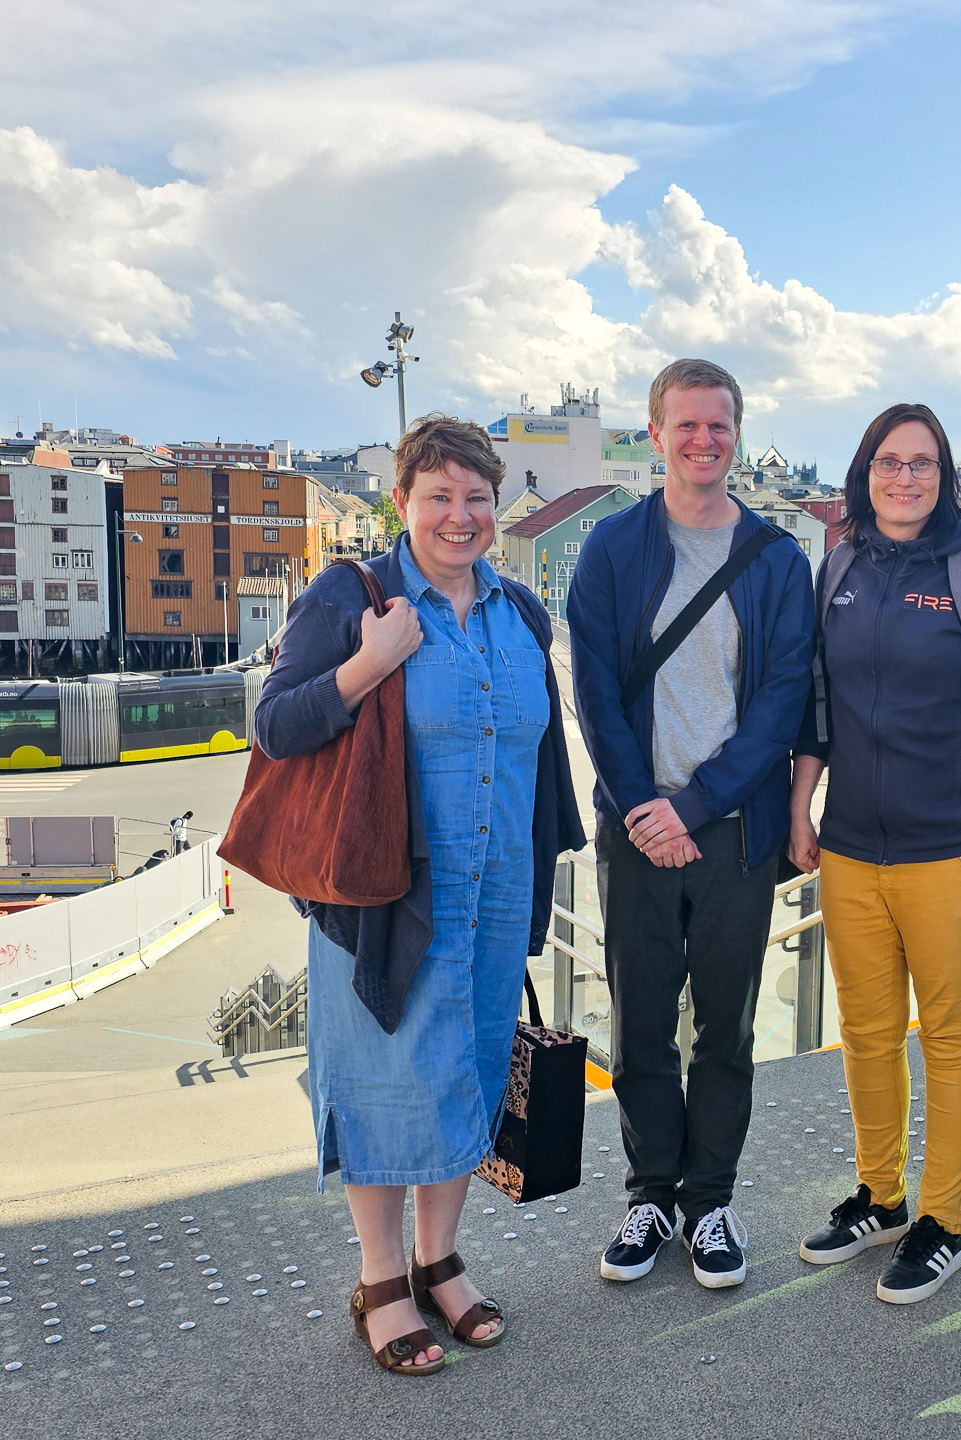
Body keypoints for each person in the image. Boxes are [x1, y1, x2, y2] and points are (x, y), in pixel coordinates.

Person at [253, 413, 586, 1375]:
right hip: (386, 896)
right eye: (438, 496)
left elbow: (537, 763)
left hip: (494, 893)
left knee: (464, 1077)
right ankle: (381, 1280)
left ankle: (441, 1262)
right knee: (382, 1085)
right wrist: (369, 664)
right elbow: (276, 727)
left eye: (477, 497)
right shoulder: (351, 595)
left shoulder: (520, 614)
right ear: (402, 501)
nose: (459, 516)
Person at [567, 358, 815, 1291]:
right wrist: (644, 807)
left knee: (725, 1029)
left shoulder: (777, 559)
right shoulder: (612, 547)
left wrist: (696, 805)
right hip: (637, 828)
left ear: (736, 434)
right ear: (656, 433)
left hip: (733, 830)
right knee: (639, 1025)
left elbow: (782, 701)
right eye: (687, 425)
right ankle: (650, 1197)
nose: (703, 441)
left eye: (719, 425)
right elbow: (594, 691)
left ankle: (709, 1201)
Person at [787, 402, 961, 1304]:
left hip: (948, 852)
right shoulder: (840, 564)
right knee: (866, 1033)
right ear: (865, 472)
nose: (905, 477)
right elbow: (816, 703)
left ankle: (943, 1221)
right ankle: (881, 1197)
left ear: (944, 475)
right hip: (852, 848)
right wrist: (800, 808)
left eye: (922, 462)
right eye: (889, 461)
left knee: (953, 1038)